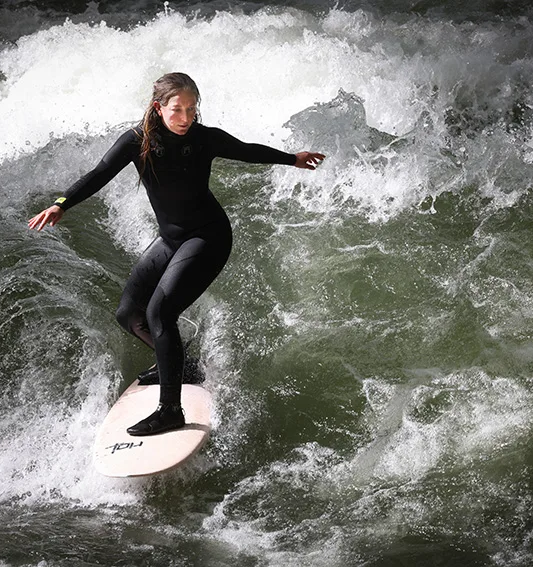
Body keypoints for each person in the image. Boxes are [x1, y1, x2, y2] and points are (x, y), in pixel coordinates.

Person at [29, 72, 324, 436]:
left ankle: (170, 411)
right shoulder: (137, 142)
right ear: (159, 107)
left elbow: (247, 151)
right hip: (170, 239)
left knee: (159, 313)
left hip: (208, 237)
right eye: (177, 110)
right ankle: (181, 366)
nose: (185, 118)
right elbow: (99, 173)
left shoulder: (202, 139)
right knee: (128, 314)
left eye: (191, 109)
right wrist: (62, 204)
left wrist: (292, 158)